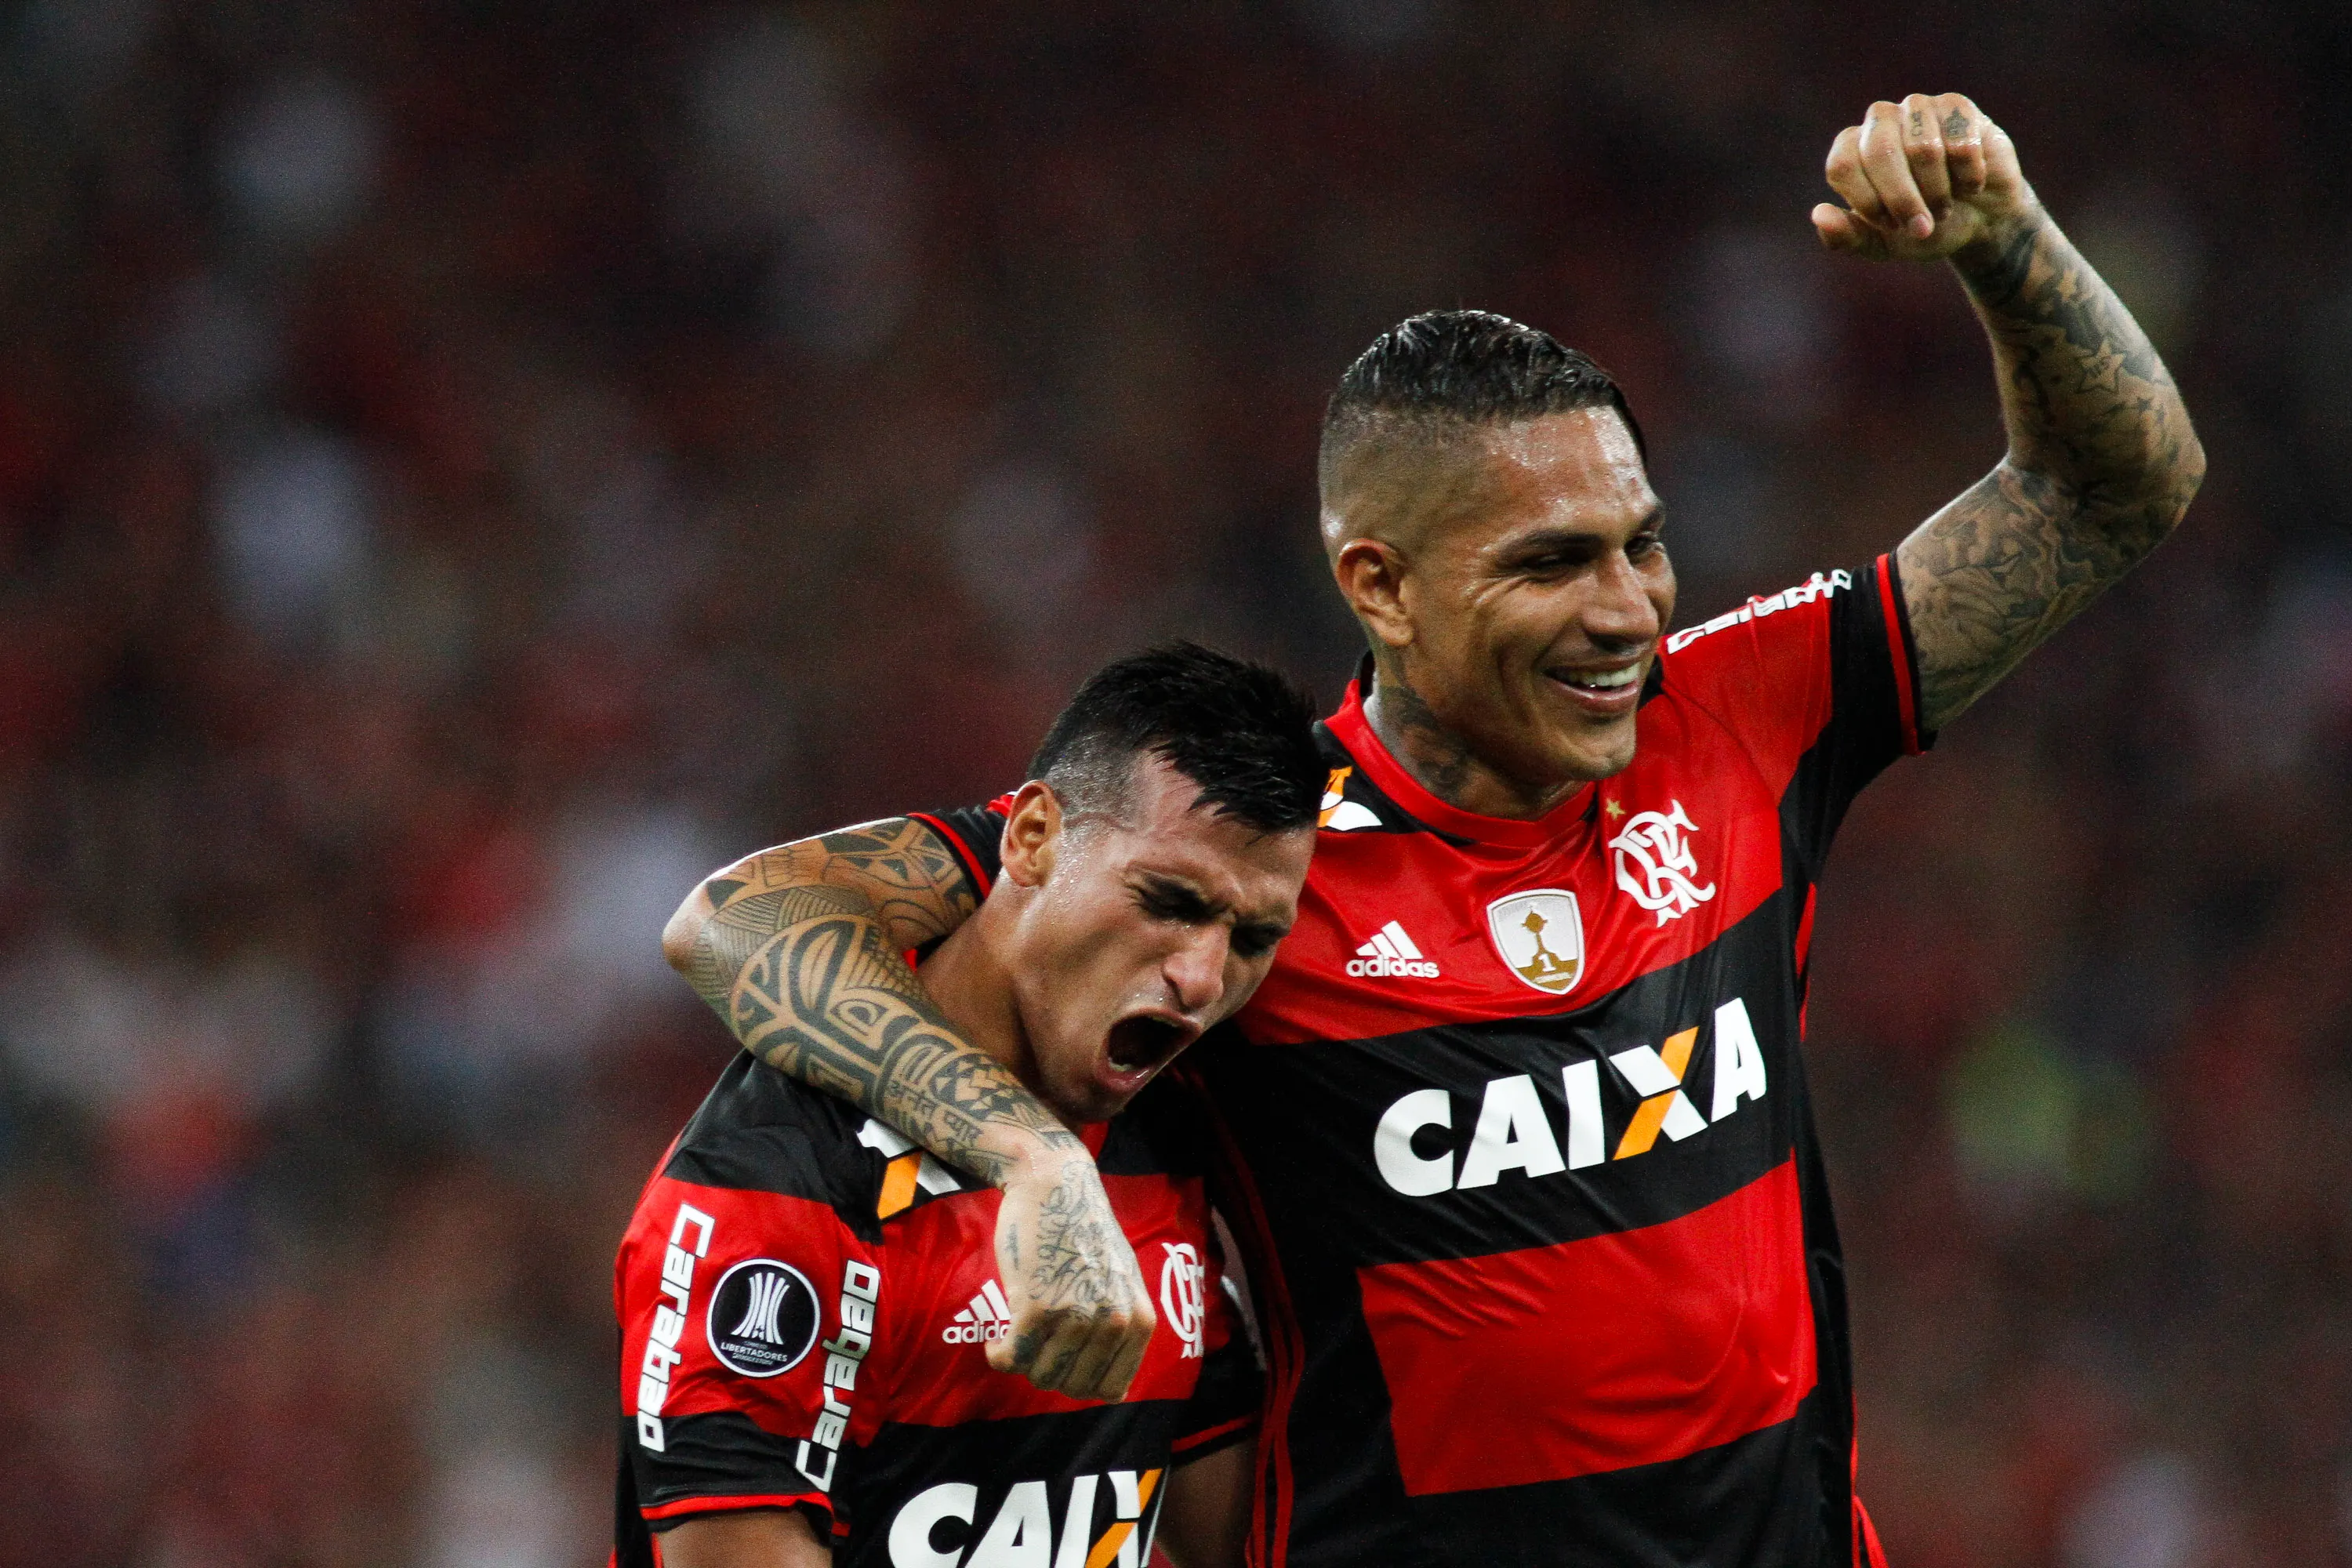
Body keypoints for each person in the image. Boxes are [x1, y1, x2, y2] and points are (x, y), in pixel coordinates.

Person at [660, 93, 2203, 1566]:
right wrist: (1028, 1162)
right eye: (1549, 564)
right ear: (1381, 584)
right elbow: (740, 915)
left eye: (1641, 545)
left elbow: (2118, 485)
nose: (1623, 612)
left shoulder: (1741, 712)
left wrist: (2004, 236)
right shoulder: (1245, 864)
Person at [616, 644, 1323, 1567]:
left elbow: (1233, 1536)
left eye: (1254, 937)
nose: (1201, 977)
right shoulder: (778, 1183)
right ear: (1032, 840)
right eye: (1168, 901)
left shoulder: (1157, 1125)